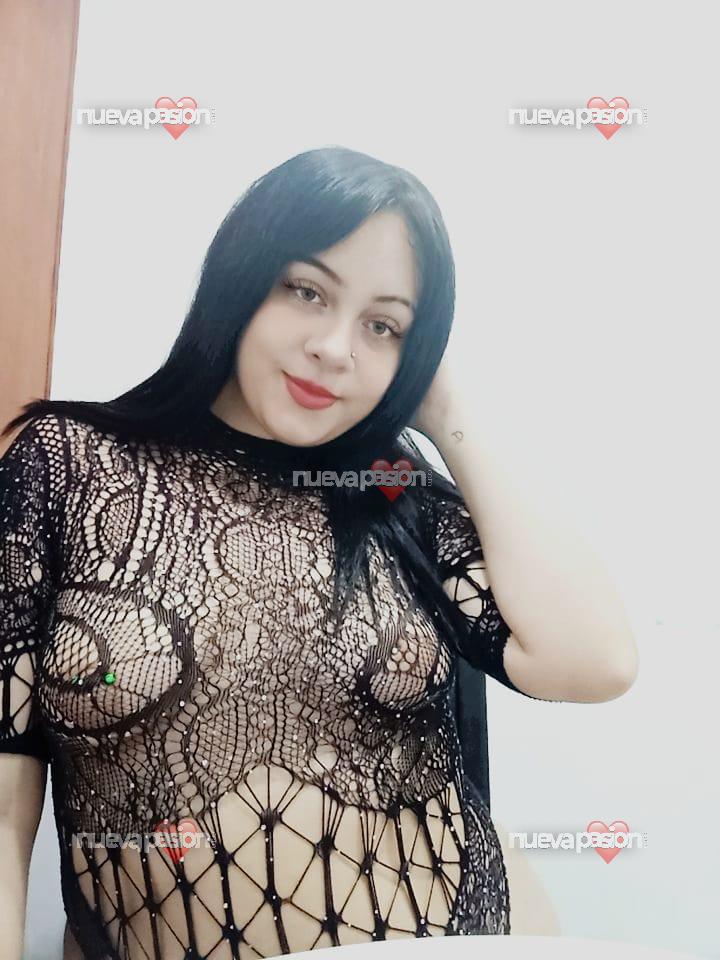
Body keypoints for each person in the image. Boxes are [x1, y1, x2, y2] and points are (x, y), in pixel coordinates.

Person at [0, 146, 637, 960]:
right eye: (307, 291)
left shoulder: (395, 493)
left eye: (383, 326)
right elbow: (5, 812)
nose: (336, 348)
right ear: (242, 280)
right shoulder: (70, 464)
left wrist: (447, 410)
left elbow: (595, 662)